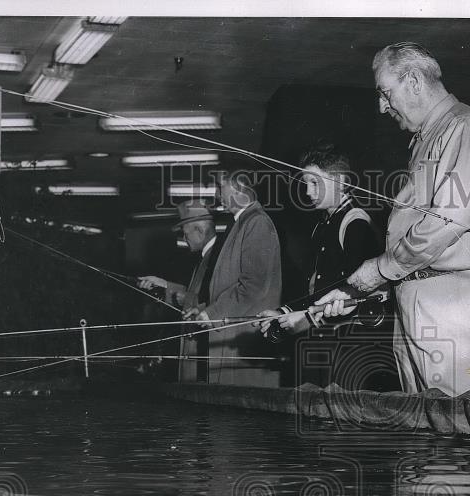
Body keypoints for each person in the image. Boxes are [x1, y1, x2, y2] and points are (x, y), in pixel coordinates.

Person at [317, 42, 470, 399]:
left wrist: (380, 269)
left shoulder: (465, 128)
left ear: (414, 82)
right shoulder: (428, 139)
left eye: (385, 93)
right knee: (430, 437)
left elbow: (448, 220)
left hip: (457, 305)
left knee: (465, 433)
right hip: (423, 298)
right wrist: (362, 289)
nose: (381, 105)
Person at [254, 147, 395, 389]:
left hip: (354, 345)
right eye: (306, 183)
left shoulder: (356, 222)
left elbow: (352, 290)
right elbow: (320, 287)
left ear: (339, 182)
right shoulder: (323, 225)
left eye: (314, 183)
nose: (307, 191)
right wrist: (283, 312)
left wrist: (304, 315)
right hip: (329, 340)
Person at [187, 170, 283, 386]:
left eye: (221, 188)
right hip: (235, 336)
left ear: (240, 189)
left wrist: (212, 313)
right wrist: (204, 308)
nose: (217, 195)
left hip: (244, 343)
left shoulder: (257, 223)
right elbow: (230, 283)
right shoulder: (241, 223)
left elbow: (253, 285)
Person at [137, 199, 221, 382]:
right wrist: (164, 284)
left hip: (210, 348)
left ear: (199, 230)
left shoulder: (219, 257)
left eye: (185, 233)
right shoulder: (204, 256)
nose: (184, 239)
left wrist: (189, 299)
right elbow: (199, 293)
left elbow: (220, 298)